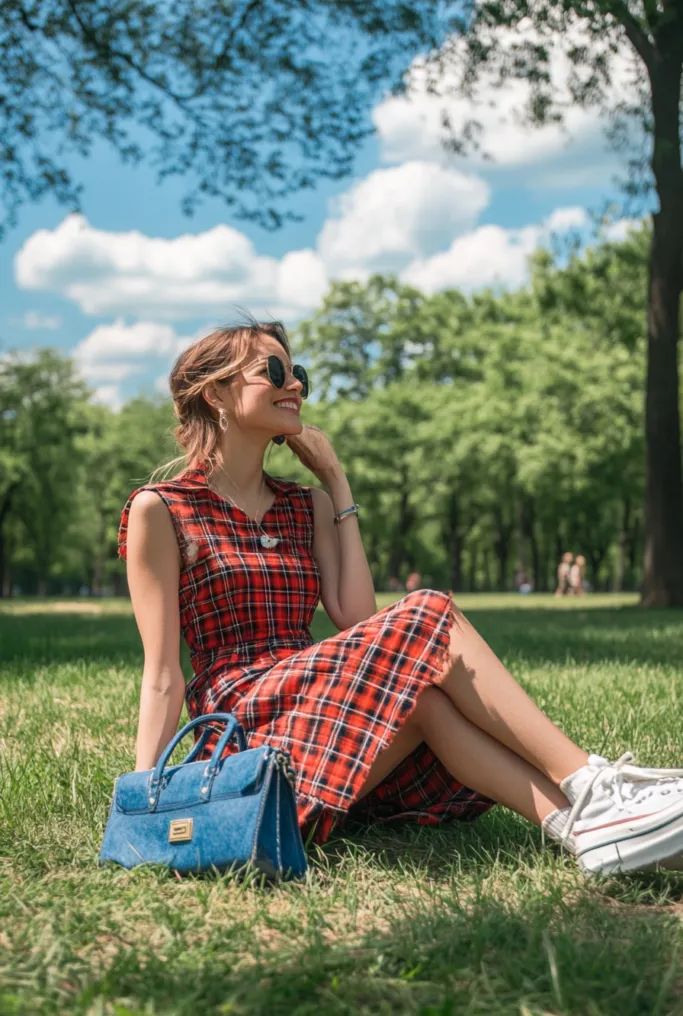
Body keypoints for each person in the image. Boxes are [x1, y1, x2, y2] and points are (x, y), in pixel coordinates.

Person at [118, 321, 683, 877]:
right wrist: (143, 804)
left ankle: (586, 832)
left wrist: (337, 482)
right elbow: (163, 672)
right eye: (274, 371)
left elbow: (357, 619)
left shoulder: (306, 505)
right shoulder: (163, 508)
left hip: (314, 702)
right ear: (215, 392)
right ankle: (592, 785)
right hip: (245, 724)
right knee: (430, 611)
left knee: (425, 701)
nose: (295, 386)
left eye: (299, 375)